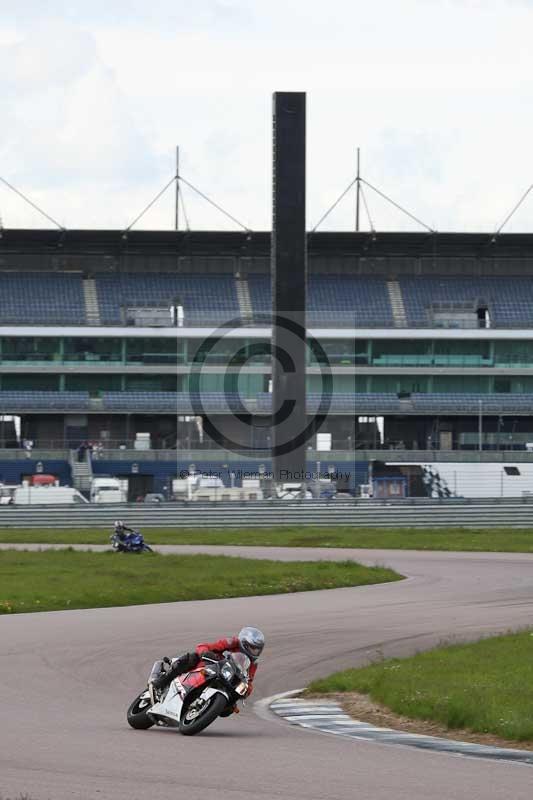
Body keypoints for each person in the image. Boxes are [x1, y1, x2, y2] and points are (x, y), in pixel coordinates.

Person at [150, 627, 265, 697]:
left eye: (257, 649)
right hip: (211, 664)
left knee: (232, 704)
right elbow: (205, 646)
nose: (255, 652)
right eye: (253, 648)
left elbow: (249, 679)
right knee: (192, 657)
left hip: (227, 678)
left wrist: (247, 689)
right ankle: (162, 681)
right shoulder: (232, 642)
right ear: (244, 643)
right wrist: (205, 653)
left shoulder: (253, 662)